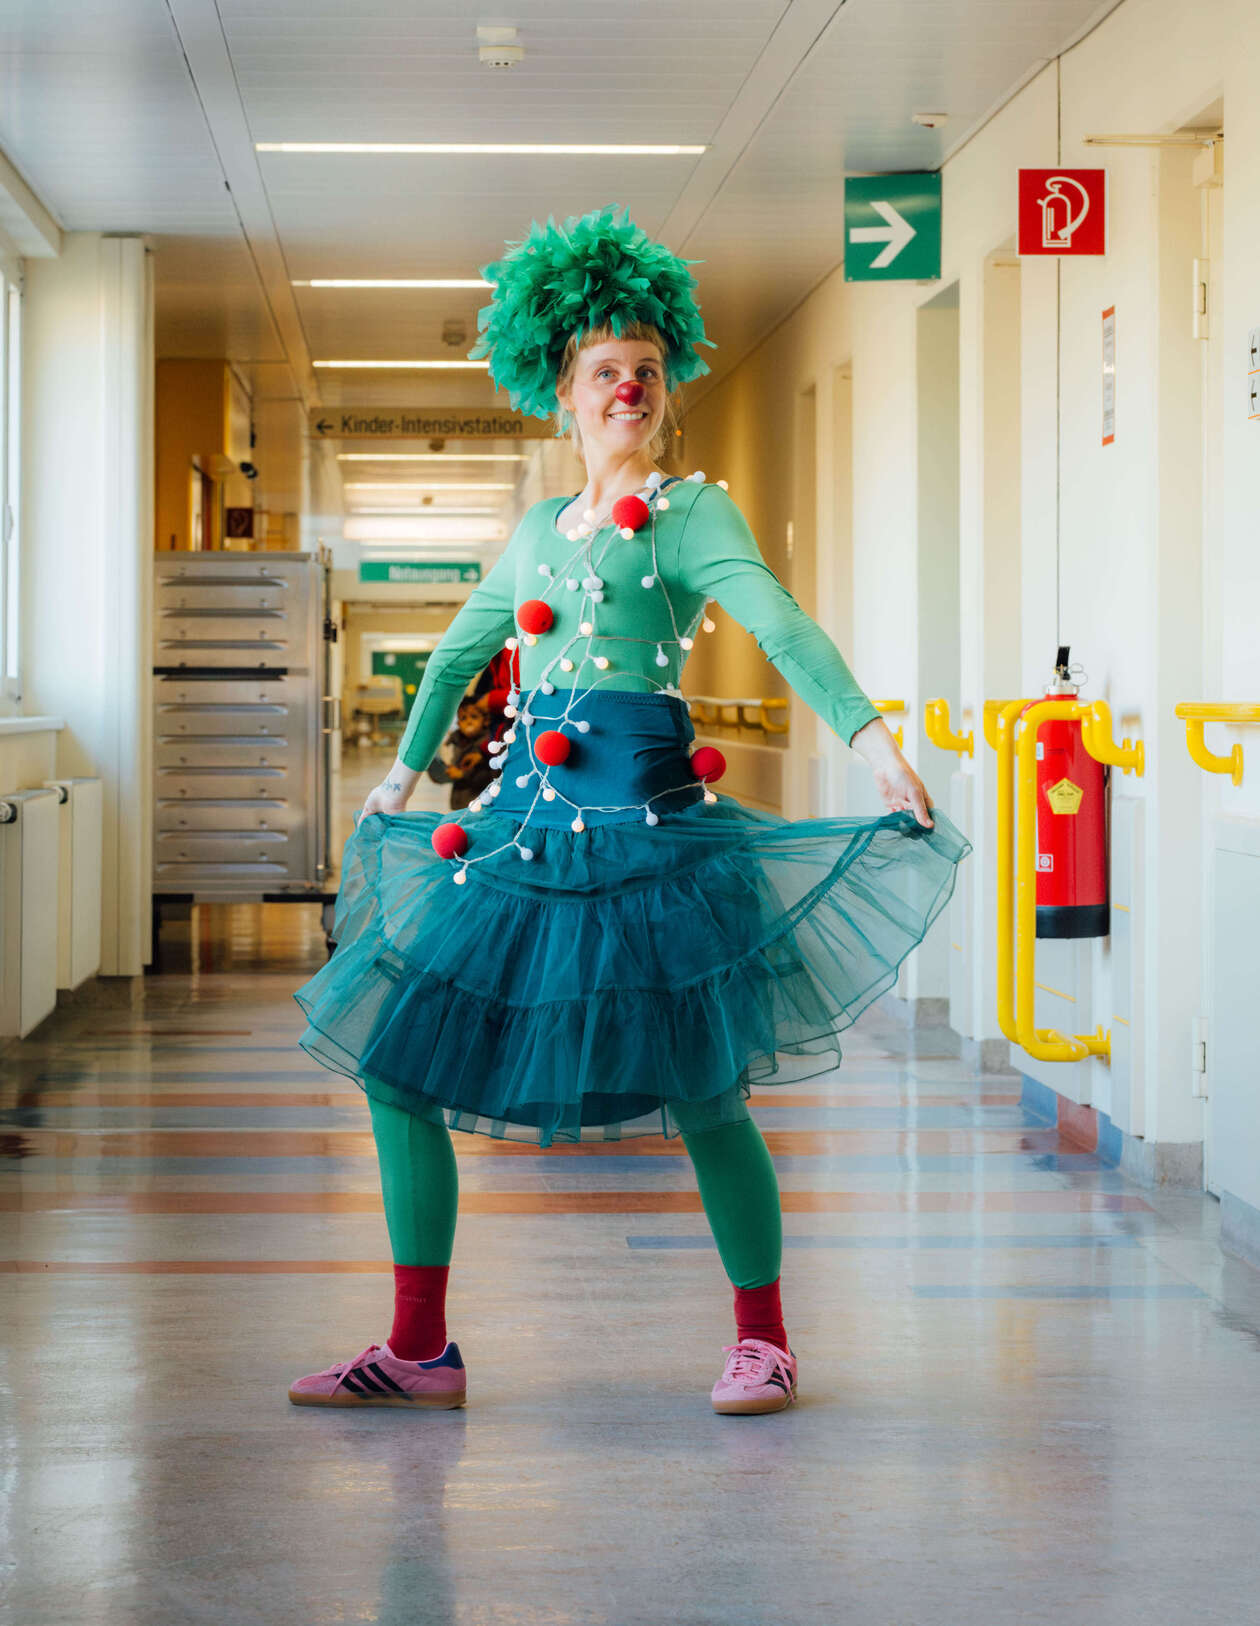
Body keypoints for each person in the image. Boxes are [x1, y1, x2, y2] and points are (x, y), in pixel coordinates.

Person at [290, 206, 969, 1417]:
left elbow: (778, 623)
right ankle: (418, 1348)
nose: (629, 387)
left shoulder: (694, 514)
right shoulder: (535, 535)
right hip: (520, 848)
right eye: (605, 370)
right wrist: (395, 784)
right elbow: (451, 661)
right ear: (562, 393)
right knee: (398, 1069)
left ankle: (764, 1339)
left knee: (708, 1091)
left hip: (654, 848)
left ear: (667, 394)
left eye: (647, 371)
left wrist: (872, 741)